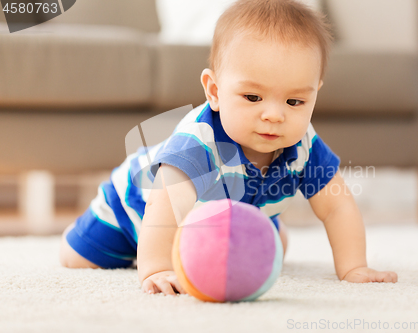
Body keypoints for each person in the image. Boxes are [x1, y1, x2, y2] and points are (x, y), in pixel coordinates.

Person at [59, 0, 398, 295]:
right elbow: (164, 209)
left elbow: (337, 207)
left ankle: (216, 237)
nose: (274, 115)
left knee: (274, 244)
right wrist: (156, 268)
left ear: (315, 94)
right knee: (76, 258)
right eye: (252, 97)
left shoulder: (304, 145)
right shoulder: (198, 142)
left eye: (295, 101)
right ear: (215, 91)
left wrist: (354, 268)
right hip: (132, 211)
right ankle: (134, 250)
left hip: (218, 217)